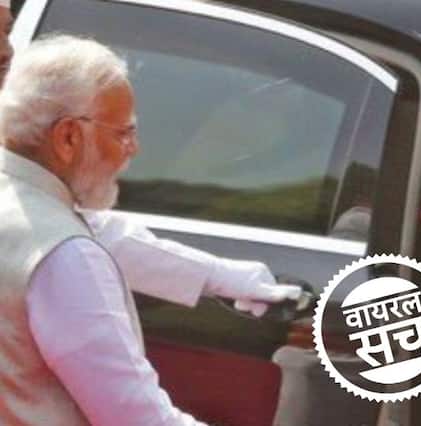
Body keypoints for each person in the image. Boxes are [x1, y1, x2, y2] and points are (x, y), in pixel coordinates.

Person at [0, 33, 303, 425]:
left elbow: (104, 233)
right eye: (123, 133)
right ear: (69, 137)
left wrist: (220, 276)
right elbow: (137, 416)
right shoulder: (66, 254)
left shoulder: (27, 210)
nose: (134, 148)